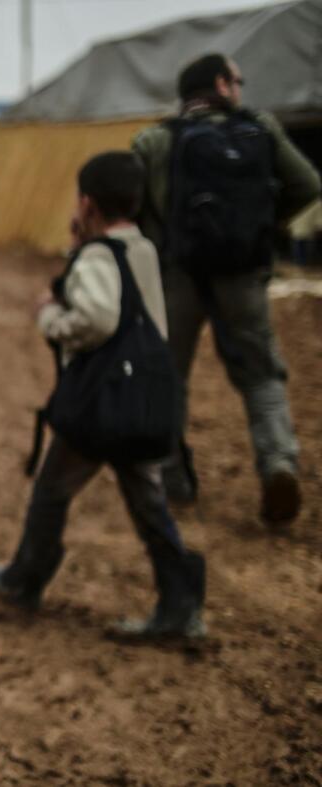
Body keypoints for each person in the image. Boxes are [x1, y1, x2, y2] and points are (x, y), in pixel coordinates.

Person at [0, 152, 206, 640]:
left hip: (102, 407)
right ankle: (182, 603)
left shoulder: (97, 256)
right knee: (148, 500)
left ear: (86, 201)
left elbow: (98, 317)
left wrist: (51, 319)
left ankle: (24, 580)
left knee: (52, 489)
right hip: (144, 401)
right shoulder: (142, 248)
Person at [131, 54, 320, 525]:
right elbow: (309, 183)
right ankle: (277, 463)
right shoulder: (261, 129)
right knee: (261, 376)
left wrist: (159, 247)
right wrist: (264, 228)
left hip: (178, 278)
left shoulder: (155, 140)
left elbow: (133, 207)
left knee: (169, 378)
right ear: (220, 84)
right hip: (243, 276)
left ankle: (175, 481)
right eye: (237, 79)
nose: (241, 87)